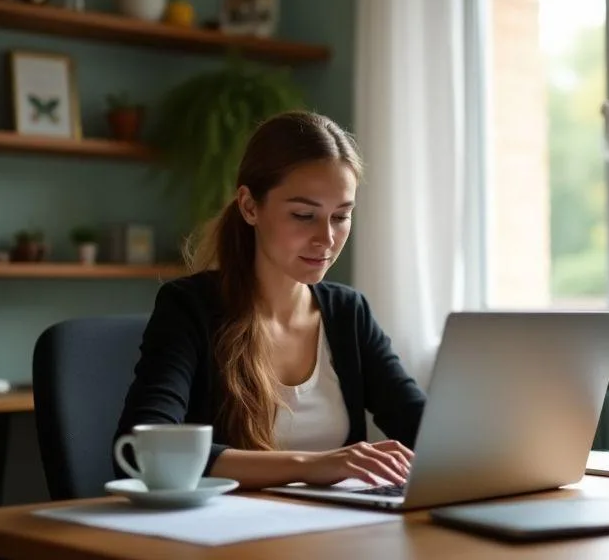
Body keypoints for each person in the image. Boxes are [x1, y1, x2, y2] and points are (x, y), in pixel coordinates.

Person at [114, 111, 427, 490]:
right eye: (303, 215)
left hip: (337, 533)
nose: (326, 239)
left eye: (341, 217)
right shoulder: (189, 306)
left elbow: (422, 427)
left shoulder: (347, 312)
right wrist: (309, 466)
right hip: (228, 538)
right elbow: (145, 449)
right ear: (249, 206)